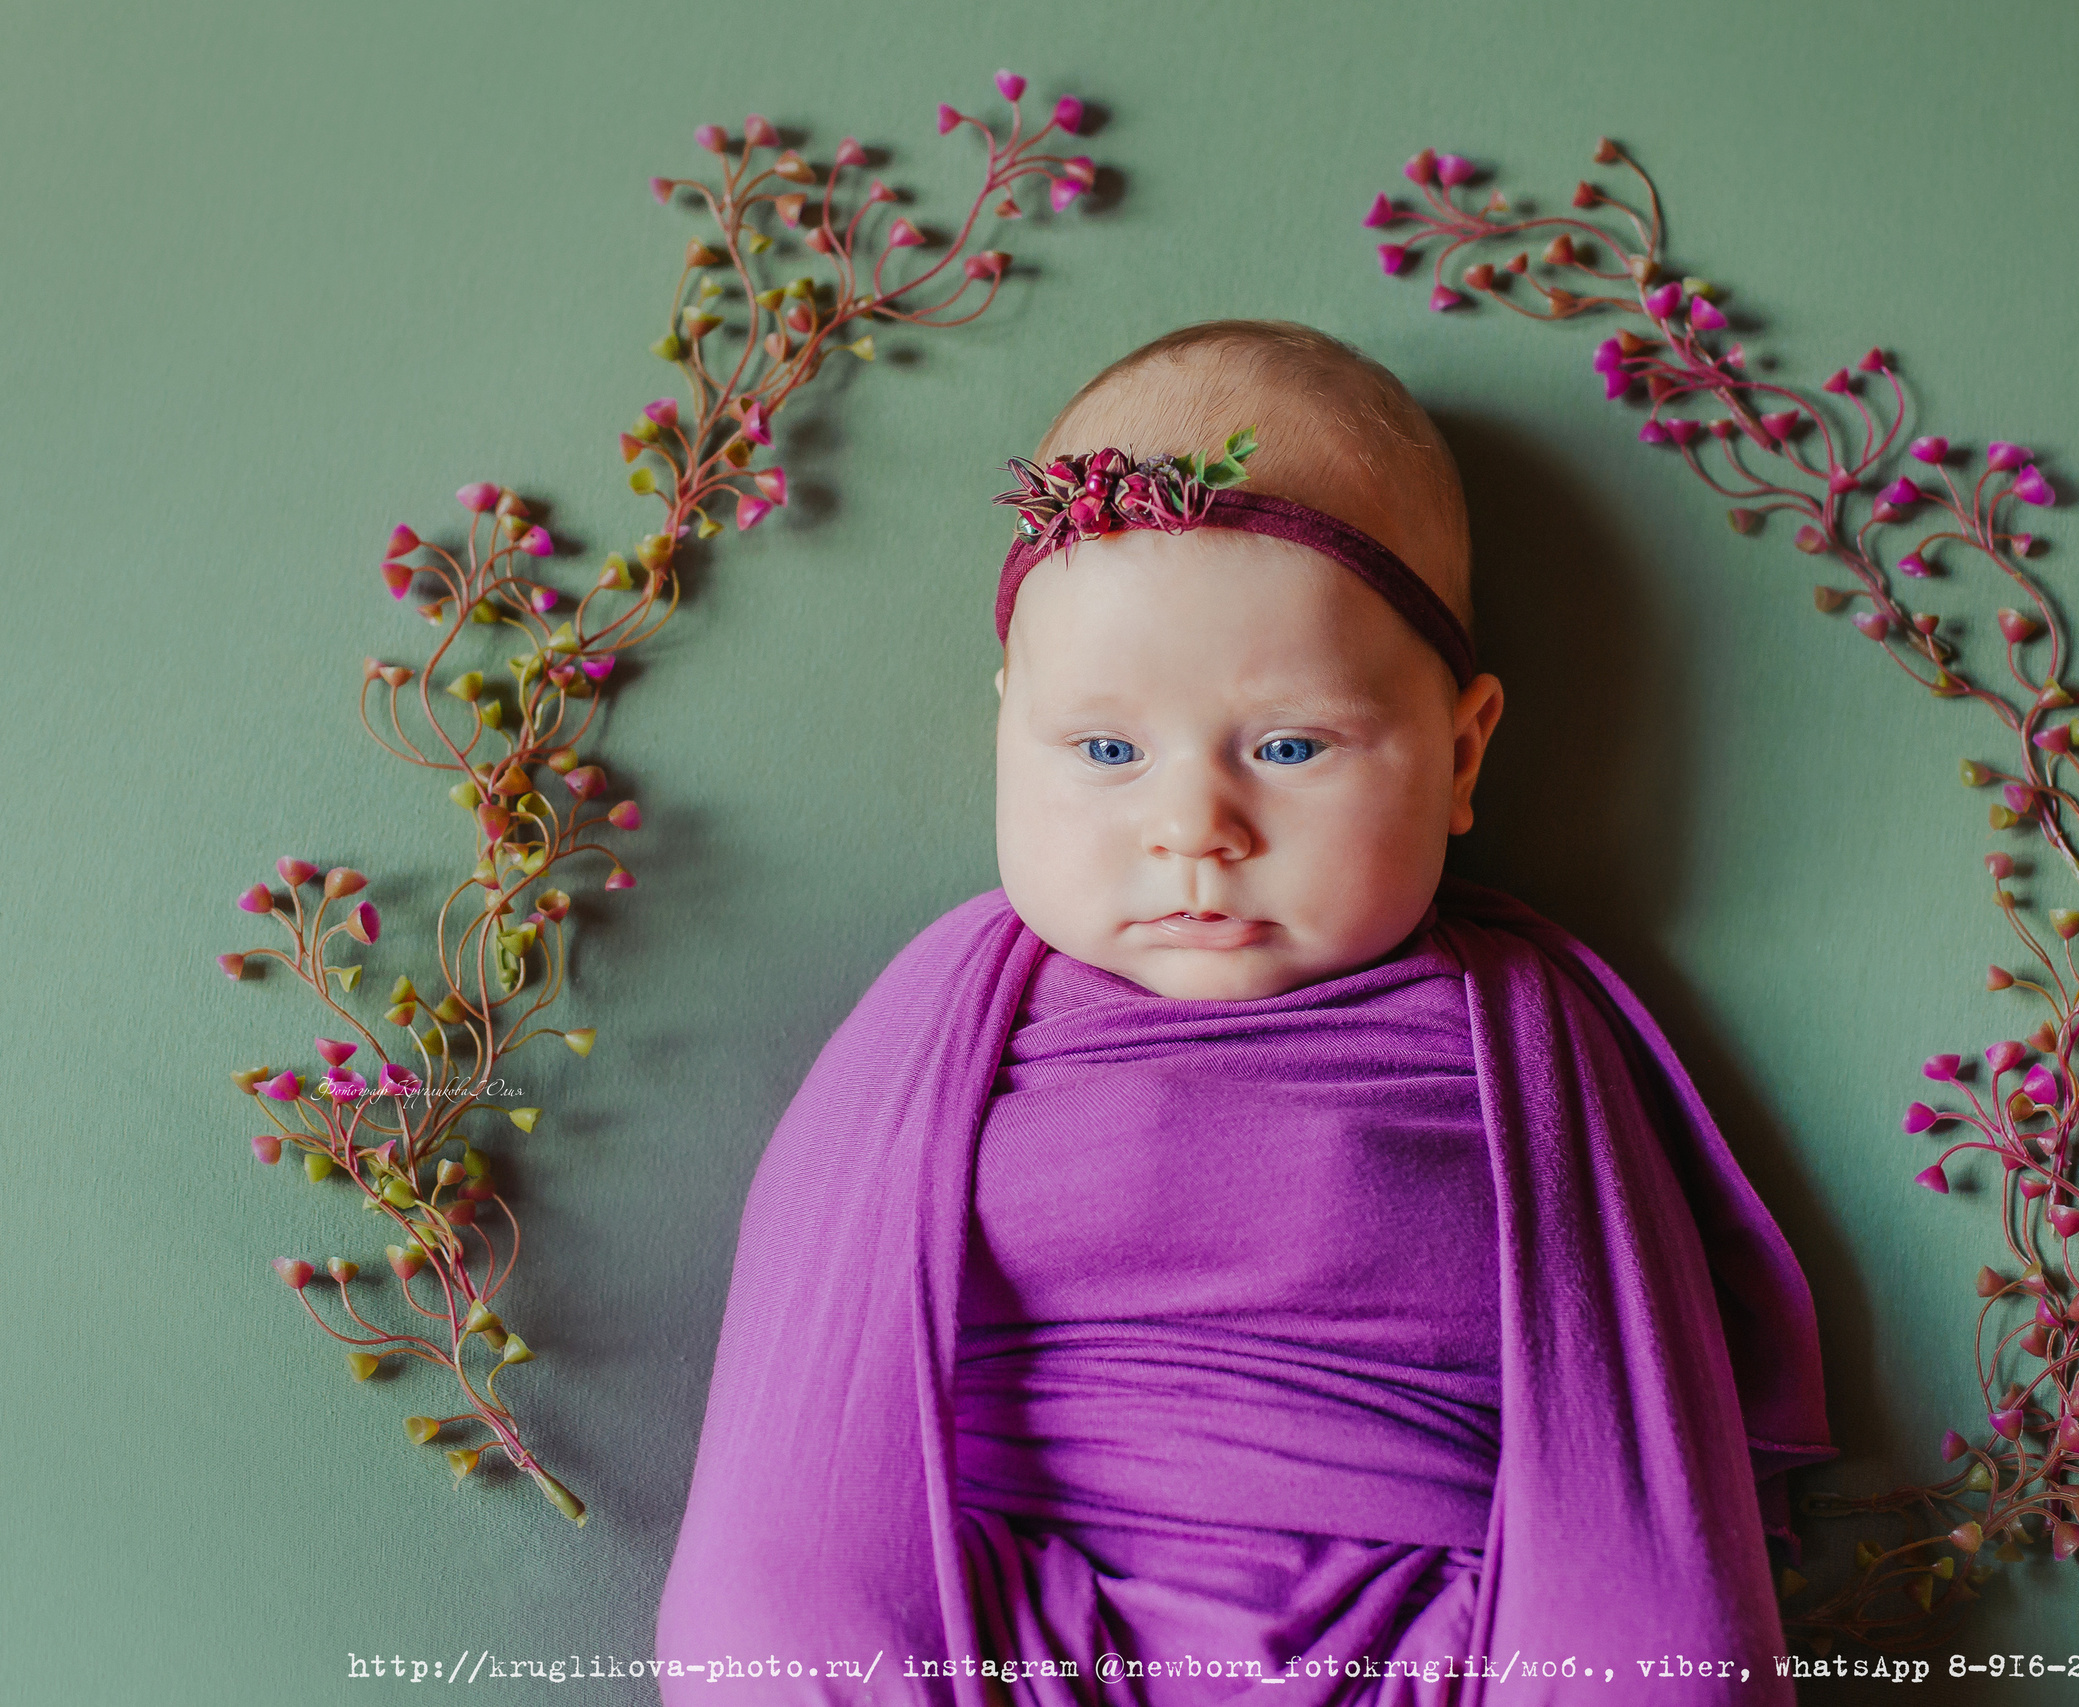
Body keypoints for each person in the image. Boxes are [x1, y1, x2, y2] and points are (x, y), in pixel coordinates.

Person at [654, 320, 1833, 1704]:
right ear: (1006, 738)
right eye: (1104, 750)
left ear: (1462, 756)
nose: (1194, 828)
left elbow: (1629, 1442)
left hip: (1437, 1635)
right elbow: (799, 1439)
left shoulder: (1523, 1035)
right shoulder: (949, 1019)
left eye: (1289, 747)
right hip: (1010, 1627)